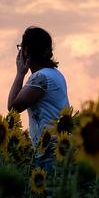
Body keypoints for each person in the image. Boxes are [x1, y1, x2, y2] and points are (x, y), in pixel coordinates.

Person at [8, 27, 70, 165]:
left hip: (50, 151)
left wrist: (20, 74)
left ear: (26, 51)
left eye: (21, 48)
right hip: (60, 148)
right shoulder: (55, 74)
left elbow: (13, 107)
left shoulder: (40, 78)